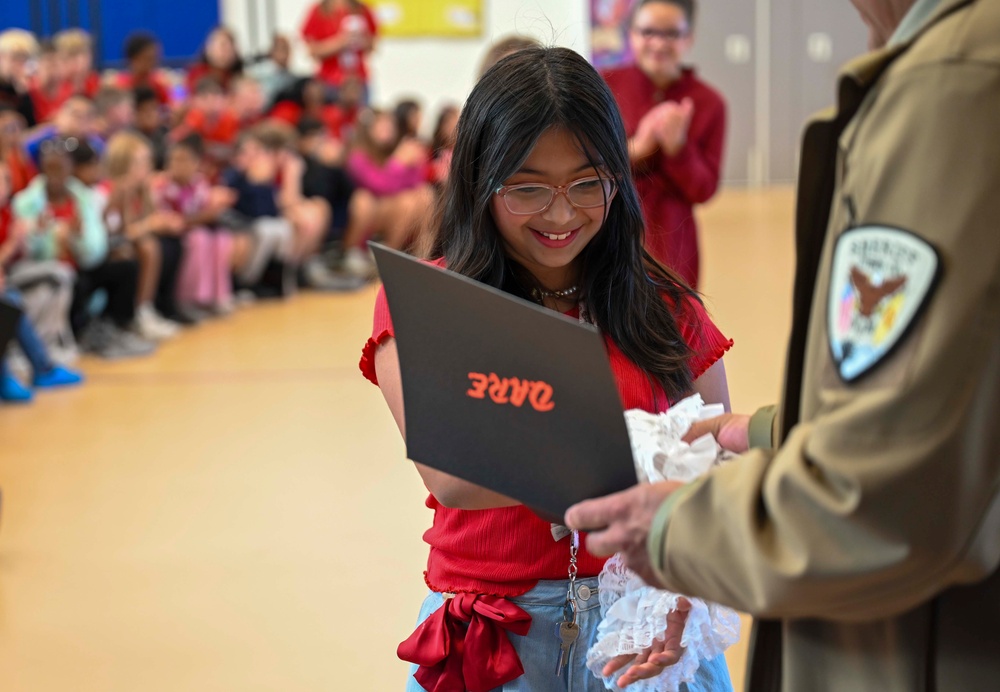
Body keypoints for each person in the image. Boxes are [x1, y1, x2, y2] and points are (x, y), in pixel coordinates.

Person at [565, 1, 1000, 690]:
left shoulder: (951, 84)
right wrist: (772, 431)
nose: (563, 211)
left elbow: (881, 491)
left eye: (586, 183)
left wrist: (678, 528)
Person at [360, 46, 735, 691]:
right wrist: (655, 457)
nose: (561, 214)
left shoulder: (663, 306)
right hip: (494, 632)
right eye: (528, 188)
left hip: (644, 625)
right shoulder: (429, 304)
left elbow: (717, 470)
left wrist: (681, 603)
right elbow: (455, 473)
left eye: (588, 183)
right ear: (479, 180)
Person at [601, 0, 726, 289]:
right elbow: (586, 165)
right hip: (611, 233)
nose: (658, 43)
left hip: (674, 244)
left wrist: (678, 150)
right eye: (647, 32)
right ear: (631, 34)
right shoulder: (605, 85)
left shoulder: (708, 102)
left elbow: (704, 189)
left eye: (671, 34)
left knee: (673, 322)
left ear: (689, 38)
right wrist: (637, 148)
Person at [300, 0, 377, 101]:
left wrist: (359, 40)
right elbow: (312, 50)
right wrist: (341, 43)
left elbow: (371, 45)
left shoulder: (362, 9)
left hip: (357, 81)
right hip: (329, 82)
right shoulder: (319, 10)